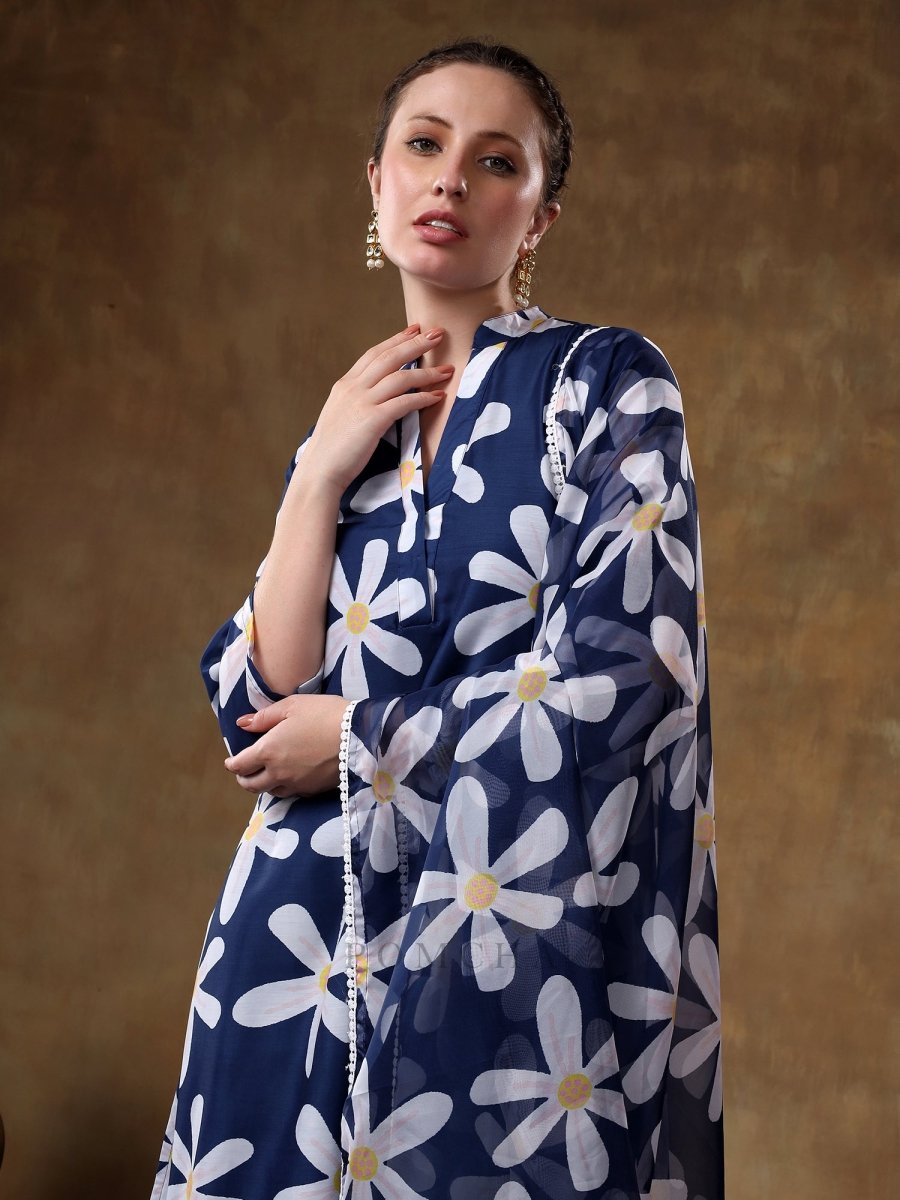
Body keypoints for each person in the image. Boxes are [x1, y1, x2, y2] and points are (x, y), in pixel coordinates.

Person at [151, 39, 722, 1200]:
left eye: (496, 160)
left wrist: (360, 741)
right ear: (377, 182)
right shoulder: (350, 426)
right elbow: (256, 706)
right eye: (424, 145)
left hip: (499, 958)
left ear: (539, 217)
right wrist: (318, 472)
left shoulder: (603, 383)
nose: (451, 178)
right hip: (292, 957)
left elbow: (627, 678)